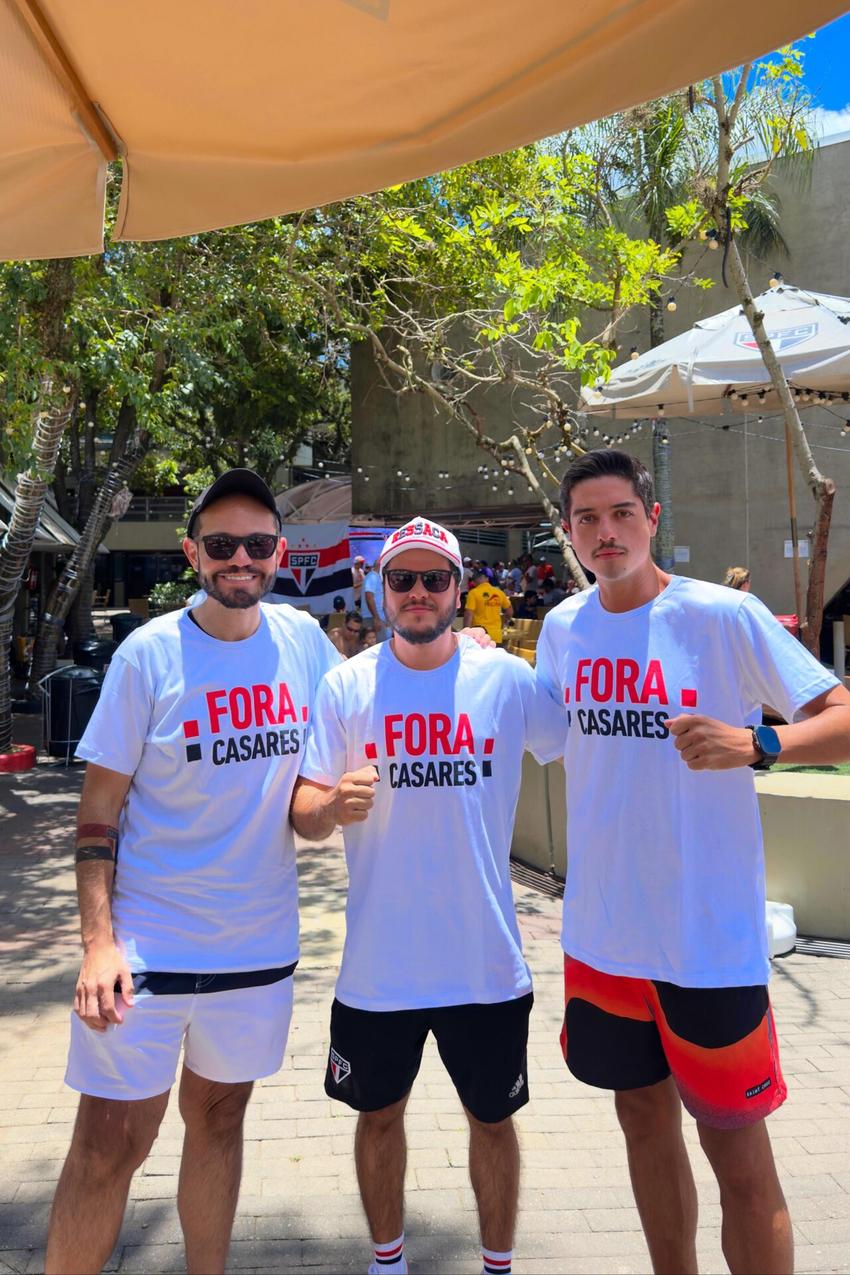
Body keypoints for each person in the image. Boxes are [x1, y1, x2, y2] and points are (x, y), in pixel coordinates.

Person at [535, 449, 850, 1275]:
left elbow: (842, 715)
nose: (606, 533)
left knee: (739, 1158)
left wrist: (758, 742)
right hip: (602, 939)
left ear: (652, 519)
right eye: (587, 520)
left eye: (621, 514)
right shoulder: (564, 628)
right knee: (642, 1128)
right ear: (569, 533)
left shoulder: (721, 616)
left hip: (708, 944)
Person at [45, 469, 341, 1275]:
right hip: (147, 947)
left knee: (218, 1120)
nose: (238, 558)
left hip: (255, 948)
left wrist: (471, 644)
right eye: (220, 545)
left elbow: (364, 712)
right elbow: (97, 811)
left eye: (254, 544)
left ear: (277, 553)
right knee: (111, 1142)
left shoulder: (303, 644)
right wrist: (97, 943)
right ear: (192, 553)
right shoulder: (148, 656)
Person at [291, 515, 565, 1275]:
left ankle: (497, 1265)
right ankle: (388, 1263)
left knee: (493, 1120)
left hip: (484, 960)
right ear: (381, 590)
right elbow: (304, 810)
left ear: (459, 588)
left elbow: (594, 744)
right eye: (403, 579)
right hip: (381, 965)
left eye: (434, 578)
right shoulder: (346, 686)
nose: (418, 592)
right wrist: (328, 806)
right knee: (378, 1117)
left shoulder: (505, 680)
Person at [464, 569, 513, 644]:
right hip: (496, 635)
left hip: (480, 636)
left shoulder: (473, 593)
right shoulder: (499, 592)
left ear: (474, 582)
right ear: (487, 579)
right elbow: (509, 611)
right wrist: (505, 620)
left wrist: (466, 632)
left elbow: (469, 614)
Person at [363, 561, 388, 641]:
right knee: (377, 645)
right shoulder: (372, 577)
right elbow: (369, 597)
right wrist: (376, 618)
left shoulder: (376, 577)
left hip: (377, 617)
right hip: (372, 618)